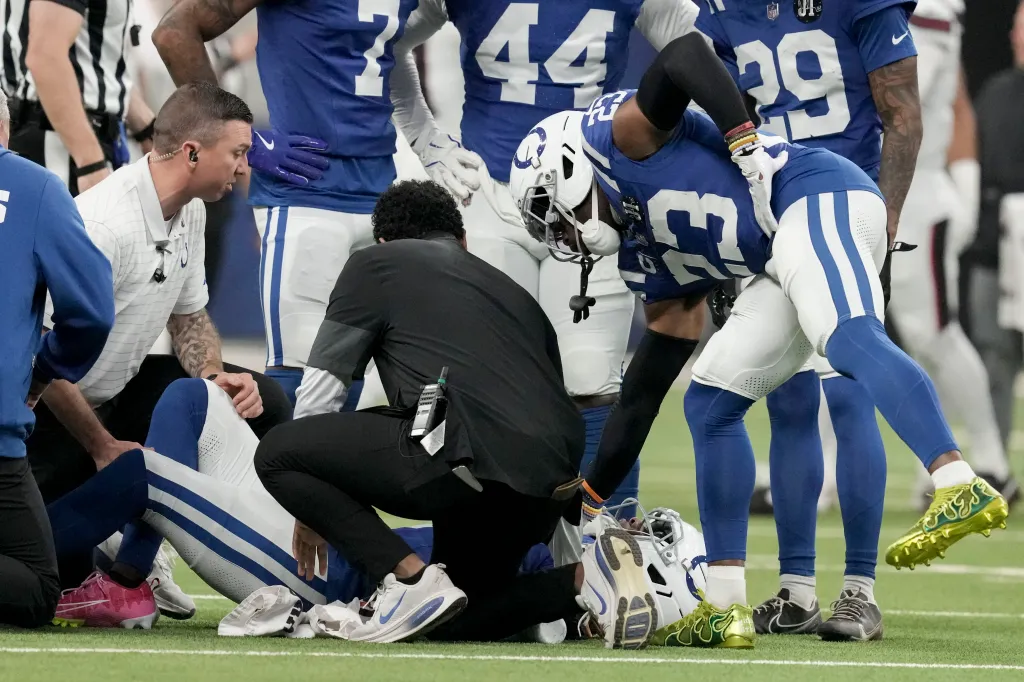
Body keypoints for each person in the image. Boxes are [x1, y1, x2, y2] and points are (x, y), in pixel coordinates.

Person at [507, 86, 1009, 648]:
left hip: (818, 196)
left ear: (571, 170)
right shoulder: (646, 249)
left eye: (556, 215)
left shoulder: (621, 136)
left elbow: (683, 57)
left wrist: (740, 137)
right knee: (709, 398)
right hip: (780, 253)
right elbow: (644, 391)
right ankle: (726, 605)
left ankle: (958, 481)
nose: (564, 234)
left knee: (846, 337)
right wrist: (592, 495)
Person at [253, 180, 657, 647]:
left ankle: (409, 581)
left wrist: (311, 506)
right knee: (457, 619)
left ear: (384, 242)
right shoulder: (518, 295)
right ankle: (587, 581)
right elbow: (549, 405)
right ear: (463, 239)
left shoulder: (375, 264)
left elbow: (323, 387)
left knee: (279, 452)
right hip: (546, 484)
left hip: (461, 460)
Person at [388, 0, 703, 519]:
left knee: (590, 375)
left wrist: (666, 147)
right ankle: (491, 546)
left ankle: (609, 546)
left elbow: (705, 50)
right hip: (489, 193)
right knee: (484, 383)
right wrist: (427, 138)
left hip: (595, 202)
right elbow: (389, 41)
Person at [694, 0, 925, 637]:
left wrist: (885, 223)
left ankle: (859, 589)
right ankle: (796, 591)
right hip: (770, 213)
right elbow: (715, 116)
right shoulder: (724, 12)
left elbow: (901, 114)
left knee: (847, 397)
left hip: (841, 209)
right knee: (786, 401)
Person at [30, 83, 291, 618]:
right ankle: (118, 545)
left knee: (261, 399)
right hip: (50, 413)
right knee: (45, 570)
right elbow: (40, 355)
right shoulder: (105, 225)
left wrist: (215, 378)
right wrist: (103, 445)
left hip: (118, 391)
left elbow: (189, 316)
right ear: (193, 152)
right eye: (238, 153)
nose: (244, 168)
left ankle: (139, 554)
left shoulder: (190, 208)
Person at [152, 0, 476, 408]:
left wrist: (426, 137)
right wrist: (237, 135)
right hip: (305, 193)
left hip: (383, 193)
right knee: (303, 375)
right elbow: (175, 31)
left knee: (385, 385)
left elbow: (390, 50)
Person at [44, 377, 557, 632]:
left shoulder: (531, 559)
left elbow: (525, 590)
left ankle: (93, 568)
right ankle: (143, 567)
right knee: (191, 393)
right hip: (317, 522)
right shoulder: (520, 522)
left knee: (143, 476)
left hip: (320, 576)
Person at [888, 0, 1018, 509]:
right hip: (868, 185)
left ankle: (989, 462)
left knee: (931, 332)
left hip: (913, 192)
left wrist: (961, 182)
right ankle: (825, 476)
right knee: (835, 336)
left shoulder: (929, 12)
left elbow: (909, 95)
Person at [0, 88, 115, 627]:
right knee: (35, 589)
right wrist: (45, 372)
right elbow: (91, 313)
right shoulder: (35, 187)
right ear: (5, 128)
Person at [961, 1, 1024, 506]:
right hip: (993, 250)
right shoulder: (996, 92)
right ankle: (994, 470)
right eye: (1019, 29)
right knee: (991, 361)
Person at [1, 0, 157, 194]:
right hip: (61, 143)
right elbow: (45, 57)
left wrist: (146, 127)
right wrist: (90, 162)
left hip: (74, 137)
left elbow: (94, 63)